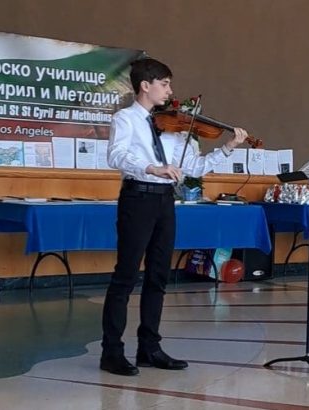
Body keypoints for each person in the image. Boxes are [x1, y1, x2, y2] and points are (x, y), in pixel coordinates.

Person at [100, 57, 248, 376]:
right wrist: (152, 168)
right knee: (126, 275)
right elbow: (116, 155)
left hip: (165, 201)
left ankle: (149, 348)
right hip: (137, 197)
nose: (170, 91)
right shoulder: (125, 119)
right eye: (165, 84)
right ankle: (111, 352)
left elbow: (193, 169)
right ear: (145, 85)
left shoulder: (175, 127)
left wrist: (228, 147)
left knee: (158, 275)